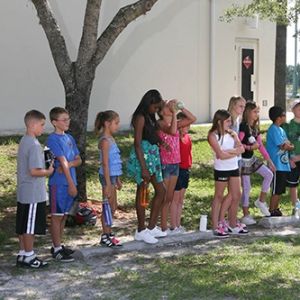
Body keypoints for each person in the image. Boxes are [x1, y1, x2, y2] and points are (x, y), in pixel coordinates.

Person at [127, 89, 166, 244]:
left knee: (161, 190)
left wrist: (162, 143)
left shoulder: (150, 117)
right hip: (143, 158)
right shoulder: (140, 117)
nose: (156, 110)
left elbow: (153, 134)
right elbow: (137, 143)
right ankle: (141, 229)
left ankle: (150, 227)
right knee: (143, 193)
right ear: (148, 103)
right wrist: (143, 167)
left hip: (153, 158)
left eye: (158, 108)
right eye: (155, 107)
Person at [16, 110, 54, 268]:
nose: (43, 128)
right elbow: (34, 171)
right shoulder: (34, 144)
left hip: (24, 191)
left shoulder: (24, 140)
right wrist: (49, 171)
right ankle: (30, 256)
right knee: (29, 226)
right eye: (42, 124)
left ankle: (23, 253)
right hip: (32, 192)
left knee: (23, 224)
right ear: (32, 125)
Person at [47, 107, 82, 261]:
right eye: (64, 120)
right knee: (57, 216)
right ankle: (56, 249)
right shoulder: (52, 139)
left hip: (70, 179)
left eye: (68, 119)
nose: (68, 122)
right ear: (54, 122)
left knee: (63, 216)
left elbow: (78, 160)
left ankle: (59, 245)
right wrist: (71, 183)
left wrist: (68, 165)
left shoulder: (69, 138)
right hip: (59, 184)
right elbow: (61, 161)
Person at [158, 100, 196, 233]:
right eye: (168, 106)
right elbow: (172, 130)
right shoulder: (161, 124)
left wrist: (182, 108)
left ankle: (172, 226)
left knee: (170, 198)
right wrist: (174, 113)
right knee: (165, 198)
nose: (171, 107)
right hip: (165, 164)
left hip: (175, 164)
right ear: (162, 111)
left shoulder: (176, 122)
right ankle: (164, 226)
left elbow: (192, 118)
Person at [208, 109, 247, 237]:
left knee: (236, 195)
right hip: (221, 169)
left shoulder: (232, 134)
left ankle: (232, 223)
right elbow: (220, 155)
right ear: (219, 122)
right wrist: (234, 151)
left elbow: (241, 149)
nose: (230, 123)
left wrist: (230, 152)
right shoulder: (212, 136)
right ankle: (216, 225)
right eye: (228, 121)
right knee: (218, 196)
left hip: (234, 167)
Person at [239, 101, 275, 225]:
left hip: (252, 159)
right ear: (248, 112)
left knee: (269, 174)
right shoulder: (243, 127)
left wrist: (269, 160)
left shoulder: (255, 128)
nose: (257, 114)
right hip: (243, 162)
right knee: (247, 187)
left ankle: (261, 201)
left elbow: (260, 146)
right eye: (255, 111)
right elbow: (237, 143)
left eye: (258, 112)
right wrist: (249, 147)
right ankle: (246, 214)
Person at [94, 110, 123, 247]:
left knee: (113, 206)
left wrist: (117, 179)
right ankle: (105, 235)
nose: (118, 126)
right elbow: (105, 164)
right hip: (107, 177)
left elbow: (115, 161)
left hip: (112, 177)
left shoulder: (111, 139)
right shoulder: (105, 141)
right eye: (115, 123)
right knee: (107, 206)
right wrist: (107, 184)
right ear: (107, 123)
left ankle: (109, 232)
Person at [219, 96, 246, 227]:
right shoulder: (229, 120)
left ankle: (231, 220)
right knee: (233, 193)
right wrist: (236, 151)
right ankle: (222, 219)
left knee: (235, 193)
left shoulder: (237, 120)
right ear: (233, 105)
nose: (243, 109)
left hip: (237, 159)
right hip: (230, 160)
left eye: (244, 106)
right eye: (240, 106)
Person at [266, 106, 294, 216]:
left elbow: (289, 144)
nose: (285, 117)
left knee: (281, 189)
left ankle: (276, 208)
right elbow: (283, 146)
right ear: (278, 118)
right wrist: (287, 146)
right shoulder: (273, 129)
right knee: (276, 189)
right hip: (276, 165)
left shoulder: (281, 130)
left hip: (283, 165)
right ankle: (271, 209)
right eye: (283, 115)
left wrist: (288, 146)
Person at [171, 112, 193, 233]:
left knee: (180, 200)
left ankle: (178, 225)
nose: (188, 127)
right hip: (177, 170)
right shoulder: (175, 137)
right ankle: (173, 225)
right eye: (186, 125)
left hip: (185, 170)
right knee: (175, 199)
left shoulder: (188, 137)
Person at [283, 100, 300, 214]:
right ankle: (296, 207)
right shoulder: (288, 126)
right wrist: (289, 159)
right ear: (293, 110)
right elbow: (284, 144)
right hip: (293, 160)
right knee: (293, 185)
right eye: (298, 108)